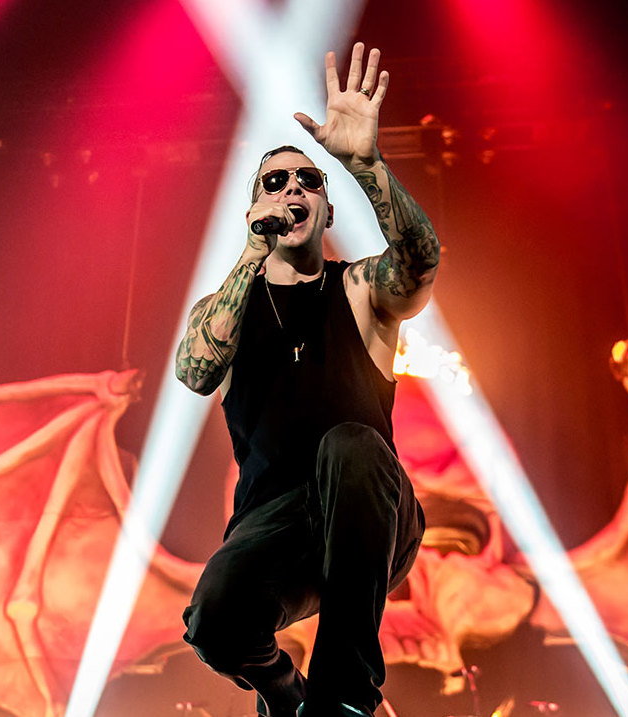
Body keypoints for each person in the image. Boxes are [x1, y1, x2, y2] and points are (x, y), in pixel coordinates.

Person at [174, 42, 440, 717]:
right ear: (256, 207)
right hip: (276, 525)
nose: (293, 189)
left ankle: (345, 701)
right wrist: (250, 254)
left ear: (326, 209)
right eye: (276, 181)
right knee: (214, 618)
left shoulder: (357, 290)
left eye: (308, 181)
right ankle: (287, 692)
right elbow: (196, 370)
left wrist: (365, 165)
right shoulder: (228, 309)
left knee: (346, 444)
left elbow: (421, 262)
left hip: (368, 509)